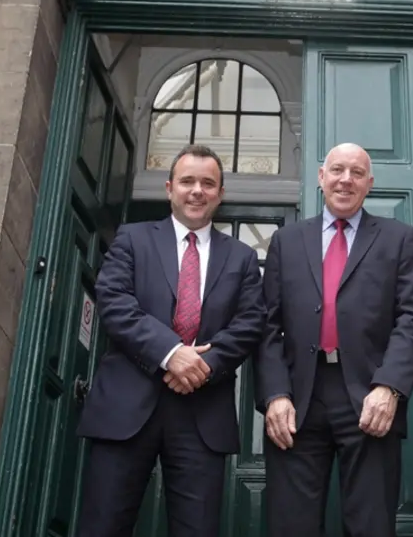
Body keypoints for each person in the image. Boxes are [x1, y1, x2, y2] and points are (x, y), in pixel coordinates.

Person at [75, 144, 266, 537]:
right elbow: (114, 302)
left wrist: (201, 367)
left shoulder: (243, 258)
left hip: (202, 412)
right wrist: (170, 353)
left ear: (220, 194)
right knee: (103, 526)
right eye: (187, 181)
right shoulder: (132, 238)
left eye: (208, 183)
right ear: (169, 188)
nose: (197, 190)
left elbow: (249, 323)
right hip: (126, 407)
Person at [254, 142, 413, 536]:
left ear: (370, 183)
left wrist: (389, 387)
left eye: (355, 173)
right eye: (336, 170)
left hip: (371, 396)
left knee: (370, 524)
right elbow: (267, 325)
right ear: (321, 178)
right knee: (290, 525)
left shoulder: (398, 238)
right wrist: (274, 394)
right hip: (298, 398)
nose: (345, 180)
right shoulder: (287, 241)